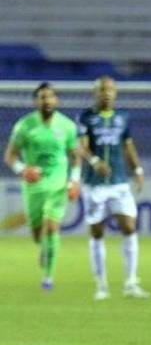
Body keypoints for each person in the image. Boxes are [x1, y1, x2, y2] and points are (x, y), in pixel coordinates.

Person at [77, 76, 150, 300]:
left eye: (110, 90)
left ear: (115, 93)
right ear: (95, 93)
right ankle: (101, 284)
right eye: (102, 90)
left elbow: (128, 146)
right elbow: (81, 146)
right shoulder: (85, 117)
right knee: (97, 232)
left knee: (129, 226)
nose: (106, 94)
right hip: (94, 184)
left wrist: (137, 170)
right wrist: (94, 162)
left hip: (119, 182)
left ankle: (130, 282)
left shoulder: (122, 117)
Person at [4, 82, 81, 291]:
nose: (46, 101)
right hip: (33, 185)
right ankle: (44, 248)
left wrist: (74, 179)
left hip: (57, 184)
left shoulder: (67, 126)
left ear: (56, 100)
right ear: (35, 101)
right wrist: (22, 169)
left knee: (51, 225)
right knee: (38, 233)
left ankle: (48, 277)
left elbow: (76, 158)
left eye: (50, 97)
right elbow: (10, 156)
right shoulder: (25, 126)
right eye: (42, 97)